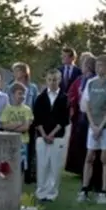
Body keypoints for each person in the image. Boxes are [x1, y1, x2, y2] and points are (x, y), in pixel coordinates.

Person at [77, 54, 106, 205]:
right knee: (89, 157)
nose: (98, 68)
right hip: (92, 126)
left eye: (102, 66)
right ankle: (84, 189)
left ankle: (103, 191)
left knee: (105, 159)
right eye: (97, 65)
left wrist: (101, 126)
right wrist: (93, 125)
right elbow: (87, 104)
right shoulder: (90, 83)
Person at [33, 69, 69, 201]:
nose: (52, 82)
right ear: (46, 81)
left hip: (57, 136)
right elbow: (37, 118)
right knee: (42, 165)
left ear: (59, 80)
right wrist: (44, 134)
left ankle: (52, 193)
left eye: (55, 80)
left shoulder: (64, 98)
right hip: (42, 136)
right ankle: (41, 192)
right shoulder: (41, 98)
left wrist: (52, 134)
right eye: (50, 80)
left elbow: (64, 119)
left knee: (55, 166)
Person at [66, 54, 96, 176]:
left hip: (90, 115)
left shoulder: (93, 80)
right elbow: (72, 93)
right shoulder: (80, 79)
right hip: (80, 114)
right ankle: (79, 167)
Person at [0, 82, 34, 172]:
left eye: (23, 94)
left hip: (23, 142)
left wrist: (12, 127)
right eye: (19, 93)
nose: (22, 96)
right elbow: (4, 126)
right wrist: (19, 123)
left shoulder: (27, 109)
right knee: (9, 165)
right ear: (13, 94)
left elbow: (26, 127)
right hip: (9, 141)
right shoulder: (7, 109)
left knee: (21, 166)